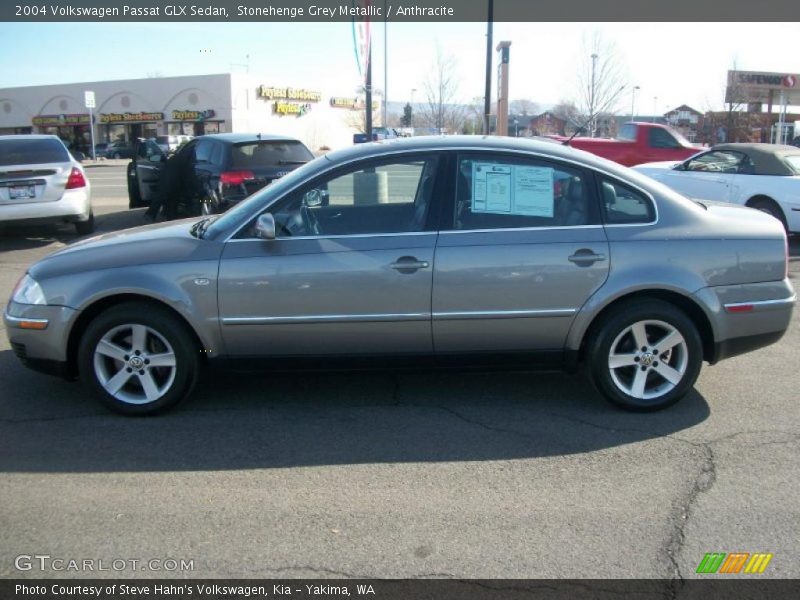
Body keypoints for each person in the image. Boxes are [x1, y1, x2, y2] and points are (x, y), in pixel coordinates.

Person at [143, 144, 196, 222]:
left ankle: (155, 214)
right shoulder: (187, 161)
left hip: (169, 181)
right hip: (174, 182)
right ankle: (165, 215)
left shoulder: (176, 159)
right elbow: (189, 176)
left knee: (163, 197)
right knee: (170, 199)